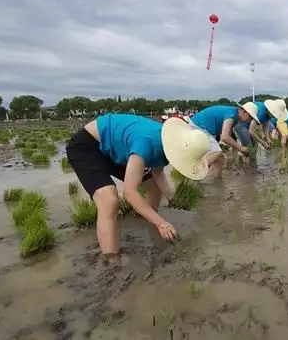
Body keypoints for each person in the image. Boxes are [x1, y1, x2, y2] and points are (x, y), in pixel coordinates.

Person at [65, 114, 211, 266]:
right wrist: (161, 223)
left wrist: (171, 197)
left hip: (117, 148)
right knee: (109, 200)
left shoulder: (167, 143)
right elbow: (129, 192)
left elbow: (157, 172)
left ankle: (141, 222)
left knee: (154, 188)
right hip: (87, 146)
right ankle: (111, 260)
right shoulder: (146, 145)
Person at [188, 103, 260, 176]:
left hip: (203, 128)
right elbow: (225, 137)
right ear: (245, 112)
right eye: (250, 118)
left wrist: (236, 148)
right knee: (216, 152)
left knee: (220, 158)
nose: (250, 121)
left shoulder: (234, 116)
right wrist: (241, 148)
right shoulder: (232, 114)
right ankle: (193, 175)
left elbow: (227, 136)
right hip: (198, 126)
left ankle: (217, 182)